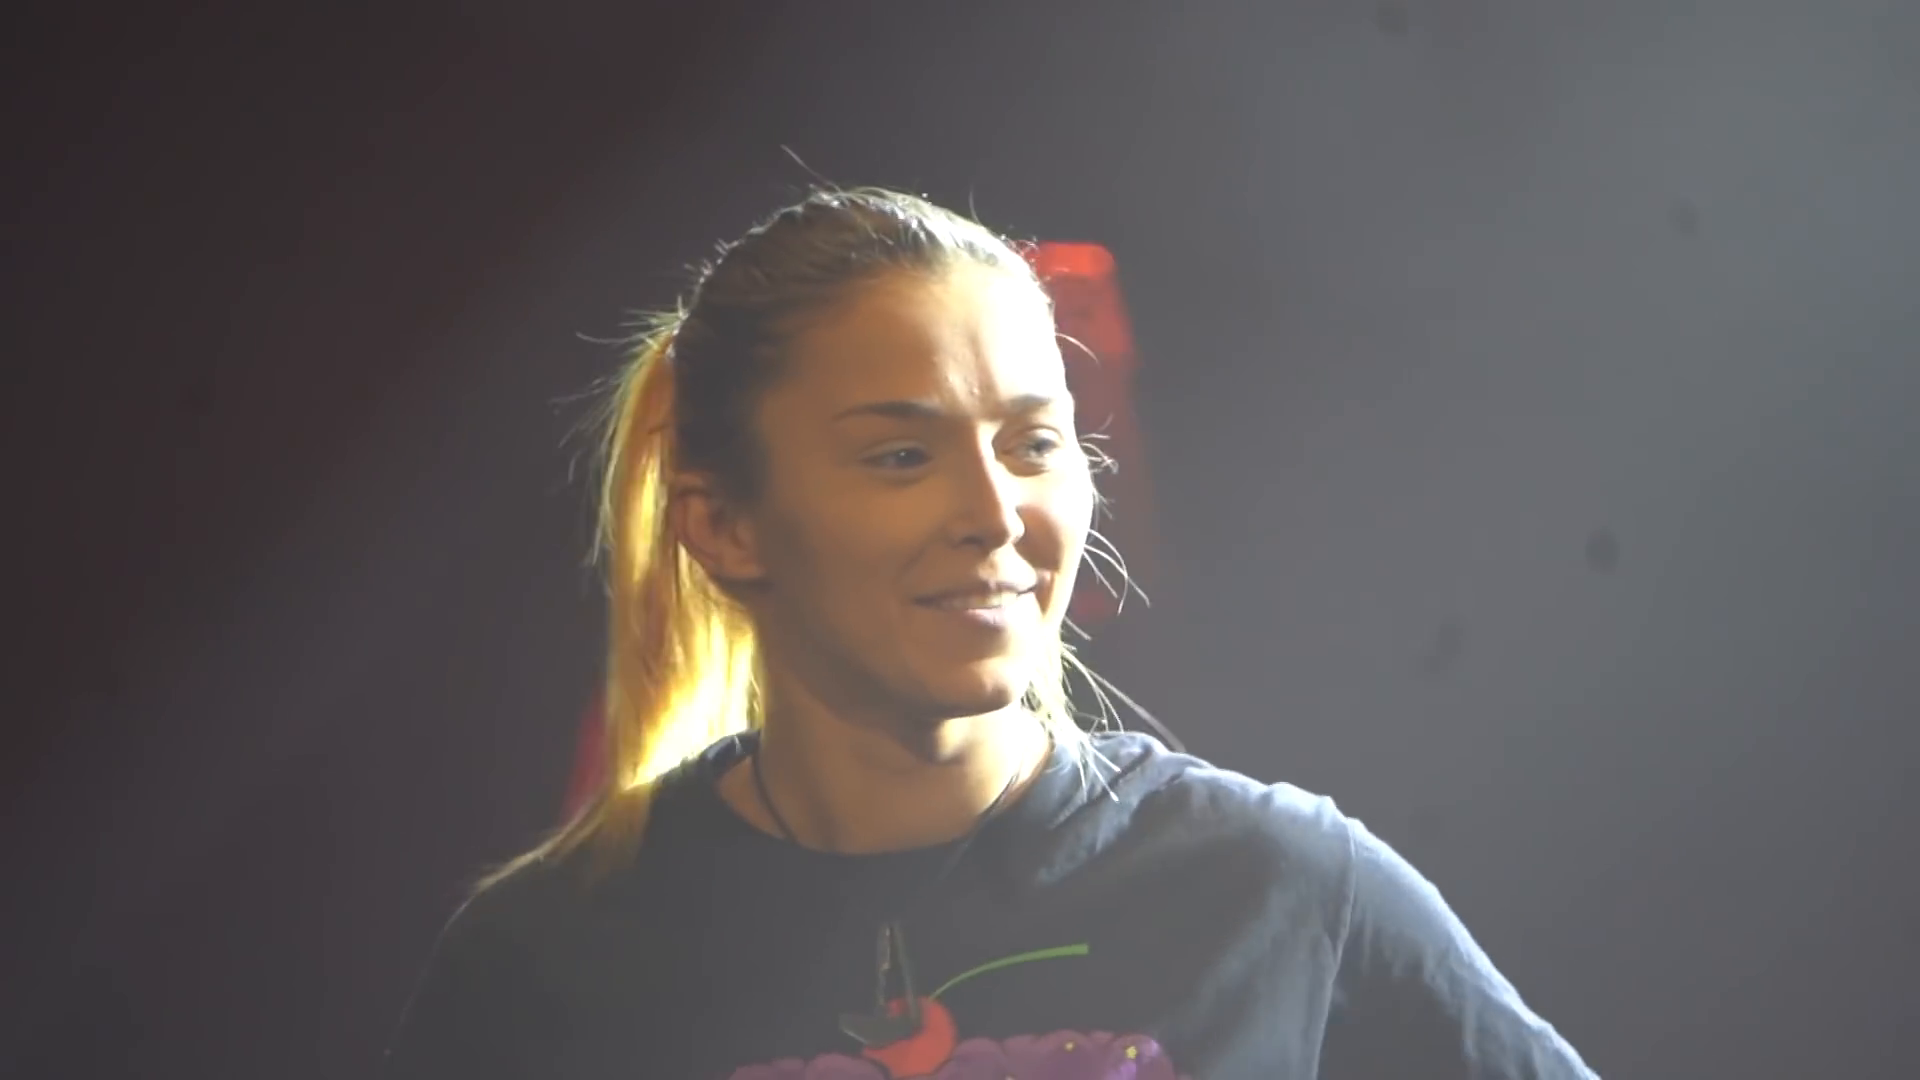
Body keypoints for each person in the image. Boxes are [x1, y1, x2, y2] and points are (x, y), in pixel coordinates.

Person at [382, 188, 1598, 1080]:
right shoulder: (543, 959)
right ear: (725, 526)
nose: (995, 511)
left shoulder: (1275, 885)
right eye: (900, 455)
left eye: (1033, 444)